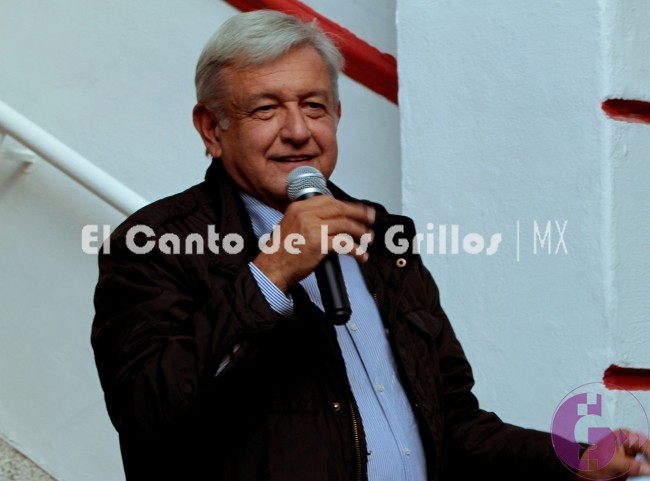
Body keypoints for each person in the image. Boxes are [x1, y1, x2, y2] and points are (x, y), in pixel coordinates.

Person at [91, 9, 650, 481]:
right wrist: (272, 272)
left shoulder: (384, 240)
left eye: (314, 106)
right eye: (265, 109)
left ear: (337, 116)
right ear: (211, 129)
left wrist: (575, 459)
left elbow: (452, 423)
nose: (298, 131)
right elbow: (147, 416)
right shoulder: (155, 245)